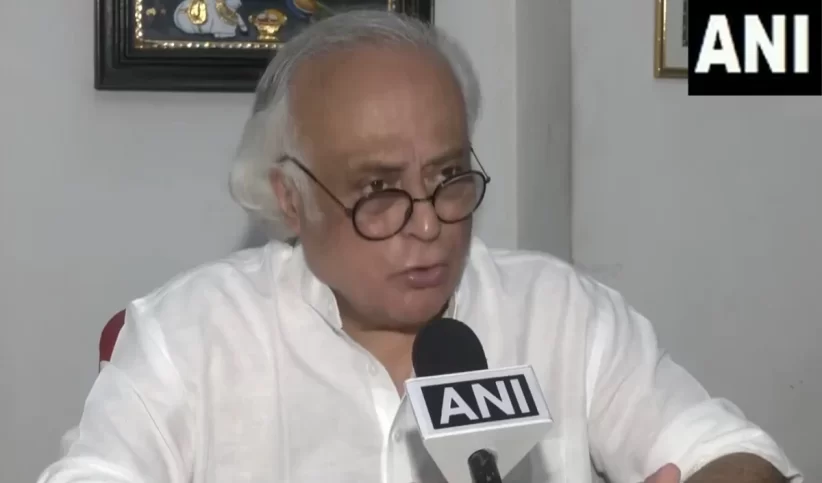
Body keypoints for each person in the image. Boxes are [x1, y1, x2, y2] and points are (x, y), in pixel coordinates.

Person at [38, 10, 801, 483]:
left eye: (449, 177)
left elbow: (734, 453)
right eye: (378, 191)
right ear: (291, 197)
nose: (429, 223)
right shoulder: (189, 336)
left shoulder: (561, 313)